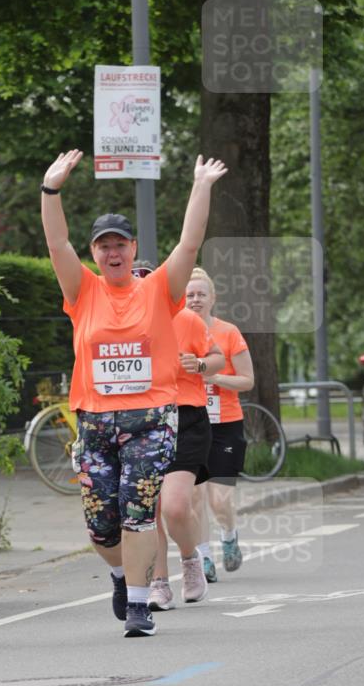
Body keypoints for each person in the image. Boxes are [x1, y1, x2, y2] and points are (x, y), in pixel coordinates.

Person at [40, 150, 228, 637]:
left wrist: (200, 185)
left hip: (150, 421)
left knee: (139, 512)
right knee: (101, 525)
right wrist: (51, 190)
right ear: (95, 254)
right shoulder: (83, 291)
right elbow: (57, 242)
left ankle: (141, 604)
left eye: (120, 243)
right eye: (103, 246)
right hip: (96, 422)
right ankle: (123, 577)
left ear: (133, 246)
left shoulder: (159, 290)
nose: (112, 252)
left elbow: (190, 243)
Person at [147, 282, 226, 611]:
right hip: (143, 421)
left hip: (186, 419)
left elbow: (218, 358)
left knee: (175, 506)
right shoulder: (123, 325)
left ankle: (191, 560)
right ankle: (159, 583)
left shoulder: (187, 319)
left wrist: (201, 365)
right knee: (148, 513)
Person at [185, 267, 255, 581]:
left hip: (226, 423)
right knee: (196, 497)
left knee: (220, 498)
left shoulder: (228, 333)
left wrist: (214, 377)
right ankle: (204, 558)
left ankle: (229, 534)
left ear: (212, 298)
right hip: (192, 424)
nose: (195, 300)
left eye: (201, 294)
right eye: (189, 295)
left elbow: (248, 381)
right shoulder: (177, 330)